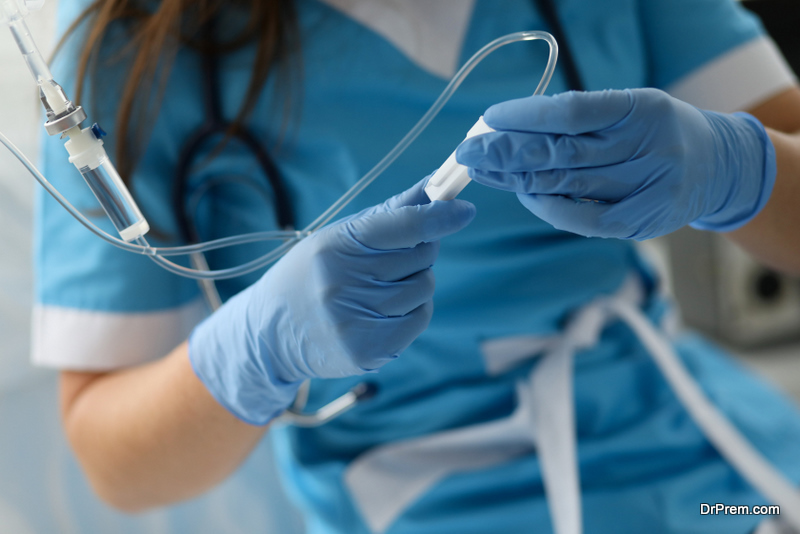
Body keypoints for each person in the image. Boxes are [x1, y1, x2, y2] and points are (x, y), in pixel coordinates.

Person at [33, 0, 800, 532]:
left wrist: (740, 169)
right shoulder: (123, 55)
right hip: (427, 507)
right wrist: (253, 351)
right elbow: (116, 464)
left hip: (715, 476)